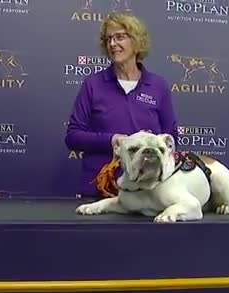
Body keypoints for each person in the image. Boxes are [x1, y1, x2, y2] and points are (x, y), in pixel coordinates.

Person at [64, 12, 180, 199]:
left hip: (147, 192)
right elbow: (73, 137)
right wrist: (112, 140)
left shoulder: (159, 86)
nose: (112, 44)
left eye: (119, 37)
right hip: (101, 190)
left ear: (136, 41)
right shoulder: (93, 84)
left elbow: (171, 138)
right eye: (108, 39)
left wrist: (152, 144)